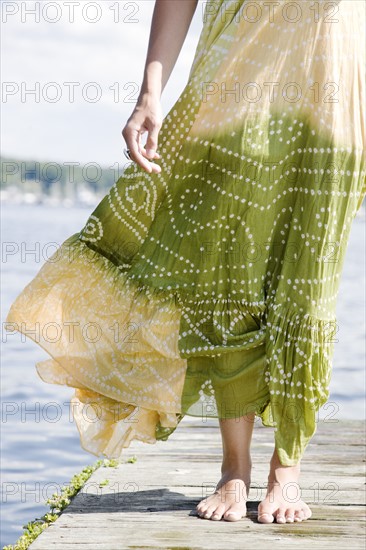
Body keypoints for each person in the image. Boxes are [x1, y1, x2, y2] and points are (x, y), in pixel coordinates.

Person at [5, 0, 365, 525]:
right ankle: (235, 463)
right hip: (235, 76)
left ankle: (287, 467)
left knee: (309, 281)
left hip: (331, 74)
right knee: (226, 271)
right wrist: (150, 91)